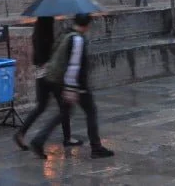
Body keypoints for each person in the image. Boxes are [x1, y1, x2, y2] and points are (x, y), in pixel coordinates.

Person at [29, 14, 114, 159]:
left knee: (63, 113)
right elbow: (74, 66)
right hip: (76, 86)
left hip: (65, 83)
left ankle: (38, 140)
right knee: (91, 111)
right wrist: (71, 88)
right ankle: (96, 147)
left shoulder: (67, 33)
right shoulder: (77, 39)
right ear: (86, 25)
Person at [14, 17, 81, 150]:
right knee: (64, 105)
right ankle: (66, 138)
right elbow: (49, 50)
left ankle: (21, 133)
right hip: (50, 73)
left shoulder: (38, 28)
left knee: (42, 106)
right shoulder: (46, 26)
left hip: (40, 72)